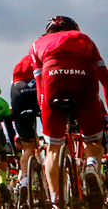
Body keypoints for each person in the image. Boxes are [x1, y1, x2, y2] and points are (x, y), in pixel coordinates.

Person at [29, 16, 108, 206]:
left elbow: (39, 83)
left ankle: (56, 198)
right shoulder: (84, 38)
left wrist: (45, 107)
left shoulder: (36, 44)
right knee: (93, 138)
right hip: (83, 83)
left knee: (53, 147)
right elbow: (104, 75)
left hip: (52, 82)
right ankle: (91, 166)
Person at [9, 52, 39, 190]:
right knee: (55, 140)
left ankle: (25, 180)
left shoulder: (22, 62)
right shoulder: (45, 55)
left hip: (18, 89)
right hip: (38, 85)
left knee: (28, 148)